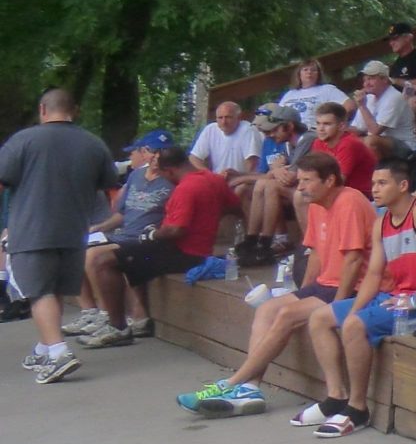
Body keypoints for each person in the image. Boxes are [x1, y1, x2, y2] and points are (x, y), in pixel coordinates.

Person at [176, 150, 376, 415]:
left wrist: (337, 306)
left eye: (307, 180)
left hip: (353, 286)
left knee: (286, 315)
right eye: (299, 180)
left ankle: (232, 382)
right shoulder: (316, 204)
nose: (300, 187)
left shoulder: (349, 201)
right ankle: (251, 388)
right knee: (267, 309)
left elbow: (353, 259)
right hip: (326, 283)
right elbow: (316, 254)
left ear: (329, 181)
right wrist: (304, 291)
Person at [300, 157, 416, 437]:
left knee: (354, 326)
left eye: (382, 183)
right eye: (373, 183)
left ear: (403, 185)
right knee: (321, 318)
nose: (374, 189)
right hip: (394, 296)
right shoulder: (381, 222)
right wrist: (354, 309)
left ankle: (357, 408)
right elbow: (374, 274)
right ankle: (336, 396)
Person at [1, 89, 122, 382]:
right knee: (53, 288)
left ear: (43, 109)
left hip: (32, 230)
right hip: (74, 232)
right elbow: (109, 187)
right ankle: (44, 347)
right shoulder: (94, 144)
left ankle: (58, 353)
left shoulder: (23, 140)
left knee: (38, 291)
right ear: (75, 110)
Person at [78, 145, 241, 350]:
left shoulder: (186, 188)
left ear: (169, 170)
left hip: (182, 253)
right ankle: (131, 317)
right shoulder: (213, 179)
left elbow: (176, 230)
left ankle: (118, 328)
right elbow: (235, 206)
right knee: (123, 253)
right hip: (193, 250)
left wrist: (152, 234)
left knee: (103, 262)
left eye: (163, 174)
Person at [67, 132, 175, 344]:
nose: (155, 157)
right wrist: (99, 227)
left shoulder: (172, 179)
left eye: (160, 152)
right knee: (72, 249)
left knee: (93, 257)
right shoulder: (136, 176)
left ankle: (108, 316)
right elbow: (122, 214)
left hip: (145, 239)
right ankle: (91, 312)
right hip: (122, 234)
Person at [238, 103, 313, 251]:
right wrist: (277, 169)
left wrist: (277, 169)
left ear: (289, 127)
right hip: (300, 187)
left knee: (269, 186)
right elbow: (277, 171)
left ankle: (266, 242)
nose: (271, 134)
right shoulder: (288, 144)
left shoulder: (307, 139)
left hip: (313, 189)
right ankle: (253, 239)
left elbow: (289, 177)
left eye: (275, 129)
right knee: (263, 184)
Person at [311, 102, 376, 198]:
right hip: (339, 190)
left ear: (341, 126)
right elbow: (313, 171)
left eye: (327, 124)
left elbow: (339, 180)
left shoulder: (349, 144)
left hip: (361, 194)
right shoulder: (318, 142)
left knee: (304, 195)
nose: (321, 129)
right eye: (318, 123)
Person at [347, 61, 416, 148]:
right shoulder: (368, 98)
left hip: (406, 145)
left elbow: (374, 131)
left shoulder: (393, 97)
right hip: (384, 143)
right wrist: (340, 131)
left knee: (370, 141)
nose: (366, 84)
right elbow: (358, 129)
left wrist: (362, 106)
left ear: (384, 79)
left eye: (371, 79)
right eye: (365, 80)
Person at [188, 100, 263, 180]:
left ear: (239, 118)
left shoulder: (248, 130)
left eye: (228, 117)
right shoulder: (210, 129)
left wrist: (238, 178)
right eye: (220, 118)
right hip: (217, 179)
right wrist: (210, 175)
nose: (224, 122)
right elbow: (194, 158)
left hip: (241, 179)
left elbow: (252, 164)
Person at [278, 59, 349, 127]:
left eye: (313, 70)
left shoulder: (327, 89)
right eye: (305, 70)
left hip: (312, 130)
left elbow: (349, 105)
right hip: (288, 130)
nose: (309, 72)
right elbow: (277, 114)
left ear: (318, 74)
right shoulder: (290, 94)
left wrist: (333, 123)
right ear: (299, 74)